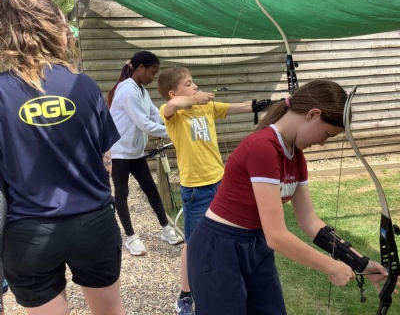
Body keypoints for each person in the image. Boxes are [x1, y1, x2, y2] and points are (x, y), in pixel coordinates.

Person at [186, 79, 392, 315]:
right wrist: (330, 266)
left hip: (256, 245)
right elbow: (277, 236)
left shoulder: (296, 156)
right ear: (313, 114)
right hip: (219, 248)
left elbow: (310, 222)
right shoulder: (263, 147)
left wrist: (361, 263)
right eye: (326, 134)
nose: (322, 142)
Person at [0, 0, 126, 315]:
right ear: (52, 27)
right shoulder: (82, 84)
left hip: (28, 231)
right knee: (110, 311)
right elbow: (106, 161)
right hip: (93, 222)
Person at [157, 67, 270, 315]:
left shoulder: (206, 107)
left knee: (228, 235)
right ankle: (185, 294)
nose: (195, 86)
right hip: (196, 190)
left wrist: (268, 104)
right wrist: (194, 99)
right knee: (193, 243)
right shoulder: (172, 114)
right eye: (188, 83)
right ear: (173, 92)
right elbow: (172, 106)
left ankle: (224, 279)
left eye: (193, 82)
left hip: (222, 183)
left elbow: (239, 107)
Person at [106, 51, 182, 256]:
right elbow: (145, 124)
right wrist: (177, 133)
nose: (153, 78)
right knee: (122, 193)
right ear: (141, 68)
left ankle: (165, 228)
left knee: (150, 188)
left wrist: (175, 121)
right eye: (152, 73)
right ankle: (131, 237)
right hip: (120, 151)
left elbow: (155, 115)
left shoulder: (140, 90)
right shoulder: (127, 90)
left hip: (135, 151)